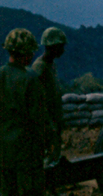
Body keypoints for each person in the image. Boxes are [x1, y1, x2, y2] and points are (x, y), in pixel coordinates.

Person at [0, 28, 50, 196]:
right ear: (26, 53)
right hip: (26, 157)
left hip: (1, 155)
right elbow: (39, 119)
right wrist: (46, 144)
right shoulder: (30, 79)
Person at [32, 27, 67, 164]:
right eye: (61, 46)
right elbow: (36, 99)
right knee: (46, 157)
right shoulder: (39, 68)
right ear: (53, 46)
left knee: (54, 154)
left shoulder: (50, 65)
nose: (63, 50)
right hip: (46, 121)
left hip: (53, 119)